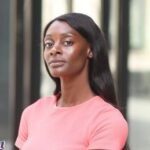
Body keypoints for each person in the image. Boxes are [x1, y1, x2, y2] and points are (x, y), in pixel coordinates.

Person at [15, 13, 128, 150]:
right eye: (49, 44)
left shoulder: (107, 120)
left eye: (67, 42)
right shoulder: (32, 112)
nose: (54, 50)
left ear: (90, 49)